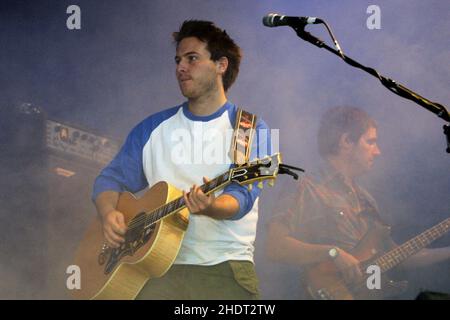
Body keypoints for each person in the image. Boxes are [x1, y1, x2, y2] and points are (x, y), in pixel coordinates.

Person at [92, 20, 271, 300]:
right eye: (178, 60)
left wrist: (211, 206)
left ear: (221, 65)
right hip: (152, 272)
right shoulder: (151, 128)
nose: (180, 68)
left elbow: (242, 197)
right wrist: (108, 213)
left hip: (223, 272)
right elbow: (109, 179)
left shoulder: (248, 129)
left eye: (192, 58)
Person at [266, 106, 450, 299]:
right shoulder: (306, 186)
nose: (377, 152)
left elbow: (398, 256)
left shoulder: (366, 200)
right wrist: (332, 253)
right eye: (371, 142)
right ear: (346, 141)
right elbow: (275, 246)